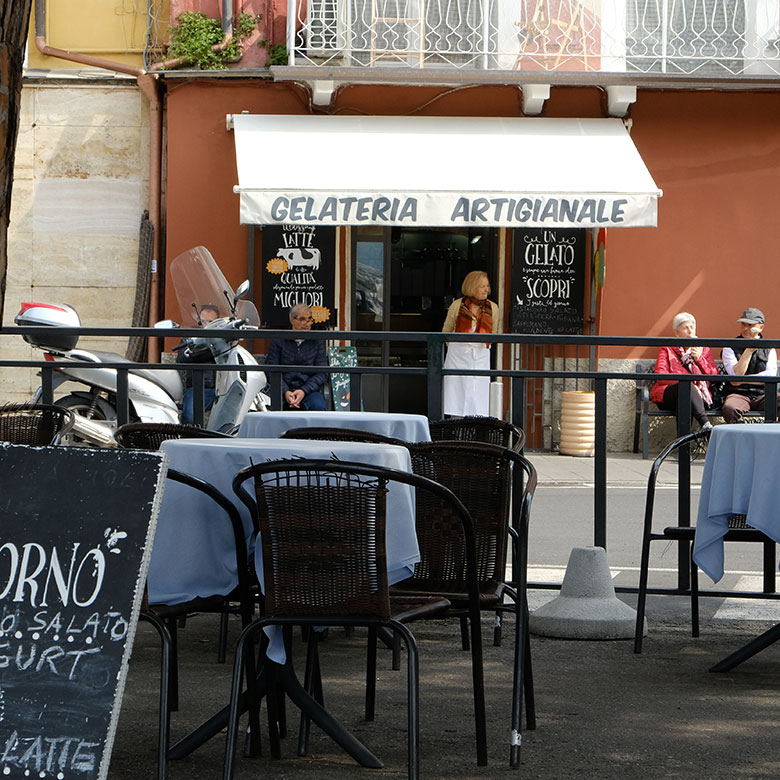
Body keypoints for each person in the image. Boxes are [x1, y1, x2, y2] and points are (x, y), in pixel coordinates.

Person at [441, 270, 500, 417]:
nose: (487, 289)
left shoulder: (493, 308)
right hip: (457, 359)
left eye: (487, 286)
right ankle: (455, 427)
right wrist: (459, 349)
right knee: (456, 396)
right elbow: (446, 332)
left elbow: (494, 334)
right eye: (482, 286)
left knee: (478, 396)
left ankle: (476, 430)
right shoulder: (457, 305)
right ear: (472, 287)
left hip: (480, 358)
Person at [650, 312, 718, 430]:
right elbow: (661, 376)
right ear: (677, 333)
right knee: (686, 387)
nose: (690, 331)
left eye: (692, 327)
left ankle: (683, 446)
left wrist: (699, 359)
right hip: (669, 394)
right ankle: (706, 425)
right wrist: (687, 384)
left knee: (685, 400)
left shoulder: (704, 350)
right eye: (686, 328)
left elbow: (713, 375)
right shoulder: (667, 349)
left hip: (698, 397)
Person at [721, 307, 780, 423]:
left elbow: (770, 376)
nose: (746, 328)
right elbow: (736, 377)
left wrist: (744, 379)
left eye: (750, 325)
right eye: (743, 324)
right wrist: (749, 350)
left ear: (761, 327)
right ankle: (738, 438)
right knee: (730, 408)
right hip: (738, 393)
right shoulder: (729, 347)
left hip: (763, 394)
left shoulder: (769, 348)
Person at [266, 303, 328, 411]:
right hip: (282, 389)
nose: (307, 324)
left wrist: (304, 390)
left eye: (309, 319)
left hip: (308, 390)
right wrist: (285, 391)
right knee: (267, 407)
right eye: (302, 319)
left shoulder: (317, 342)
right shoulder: (279, 340)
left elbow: (322, 373)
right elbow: (271, 369)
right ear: (292, 320)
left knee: (318, 406)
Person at [177, 303, 219, 424]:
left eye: (211, 322)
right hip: (200, 385)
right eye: (203, 321)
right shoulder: (191, 337)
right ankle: (187, 440)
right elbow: (181, 358)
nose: (206, 325)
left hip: (224, 385)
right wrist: (204, 349)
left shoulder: (223, 337)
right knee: (189, 417)